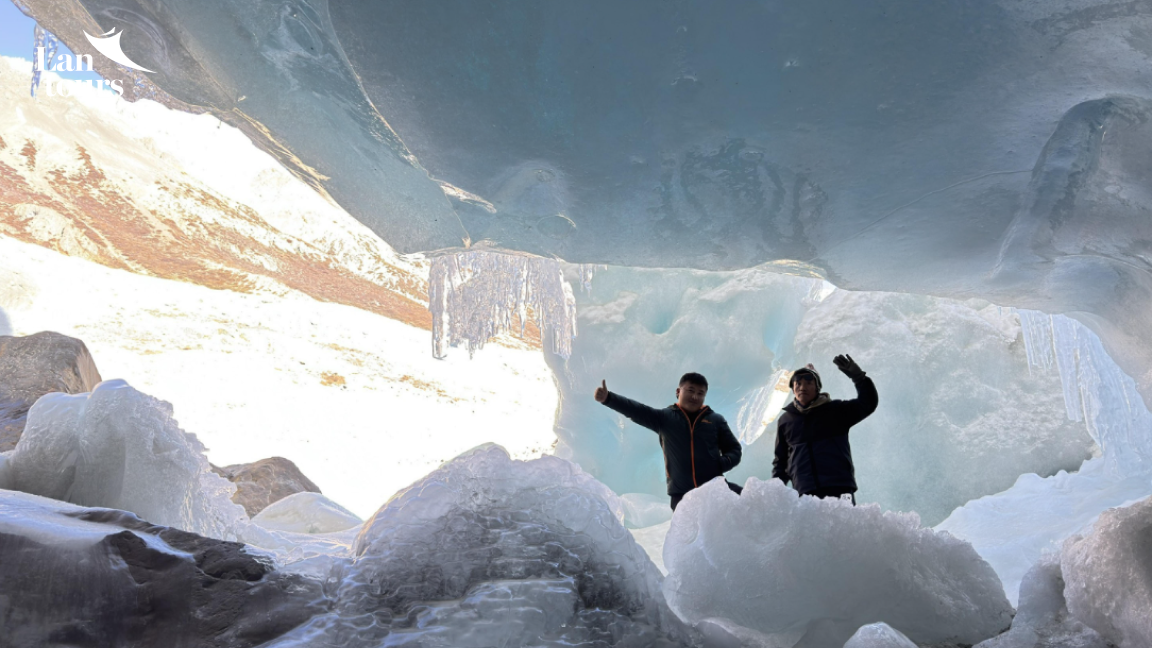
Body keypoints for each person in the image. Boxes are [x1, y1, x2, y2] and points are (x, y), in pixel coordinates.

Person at [595, 373, 742, 510]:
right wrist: (609, 399)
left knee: (753, 500)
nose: (695, 396)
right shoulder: (665, 419)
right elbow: (637, 410)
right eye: (690, 390)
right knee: (692, 536)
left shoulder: (715, 420)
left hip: (716, 489)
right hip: (682, 497)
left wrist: (722, 463)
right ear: (678, 392)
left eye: (700, 393)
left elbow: (734, 449)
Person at [772, 355, 878, 504]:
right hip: (805, 492)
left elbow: (867, 404)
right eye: (798, 383)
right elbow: (781, 461)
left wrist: (859, 378)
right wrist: (775, 491)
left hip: (839, 489)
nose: (802, 387)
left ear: (817, 388)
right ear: (793, 388)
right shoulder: (785, 421)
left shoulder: (835, 411)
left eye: (809, 382)